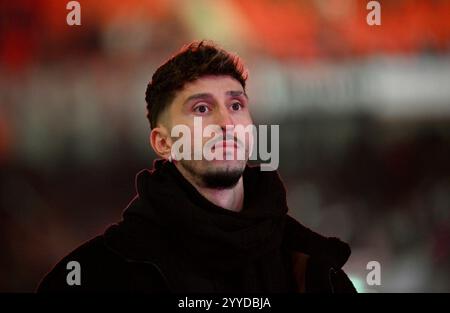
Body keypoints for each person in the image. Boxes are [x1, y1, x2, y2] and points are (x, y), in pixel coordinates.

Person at [37, 41, 356, 293]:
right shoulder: (94, 276)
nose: (226, 122)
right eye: (201, 108)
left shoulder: (315, 270)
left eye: (236, 105)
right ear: (163, 143)